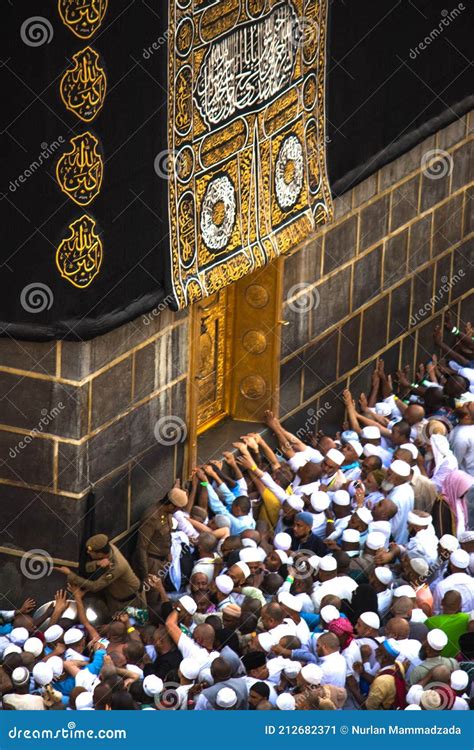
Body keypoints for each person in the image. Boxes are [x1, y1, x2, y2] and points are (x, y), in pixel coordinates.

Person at [54, 534, 143, 615]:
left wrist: (70, 574)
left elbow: (95, 586)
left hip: (131, 601)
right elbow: (86, 567)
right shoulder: (107, 549)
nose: (88, 553)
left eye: (91, 552)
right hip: (114, 598)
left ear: (100, 554)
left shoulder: (117, 567)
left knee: (132, 626)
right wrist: (97, 563)